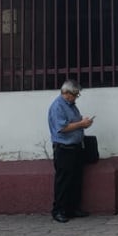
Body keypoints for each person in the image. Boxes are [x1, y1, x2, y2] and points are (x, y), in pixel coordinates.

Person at [48, 79, 94, 223]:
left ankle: (72, 208)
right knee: (63, 181)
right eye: (75, 94)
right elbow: (62, 128)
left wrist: (83, 122)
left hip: (75, 147)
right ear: (66, 93)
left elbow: (74, 122)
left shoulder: (71, 105)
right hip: (64, 148)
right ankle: (58, 211)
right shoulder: (58, 107)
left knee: (75, 180)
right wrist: (81, 124)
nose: (76, 97)